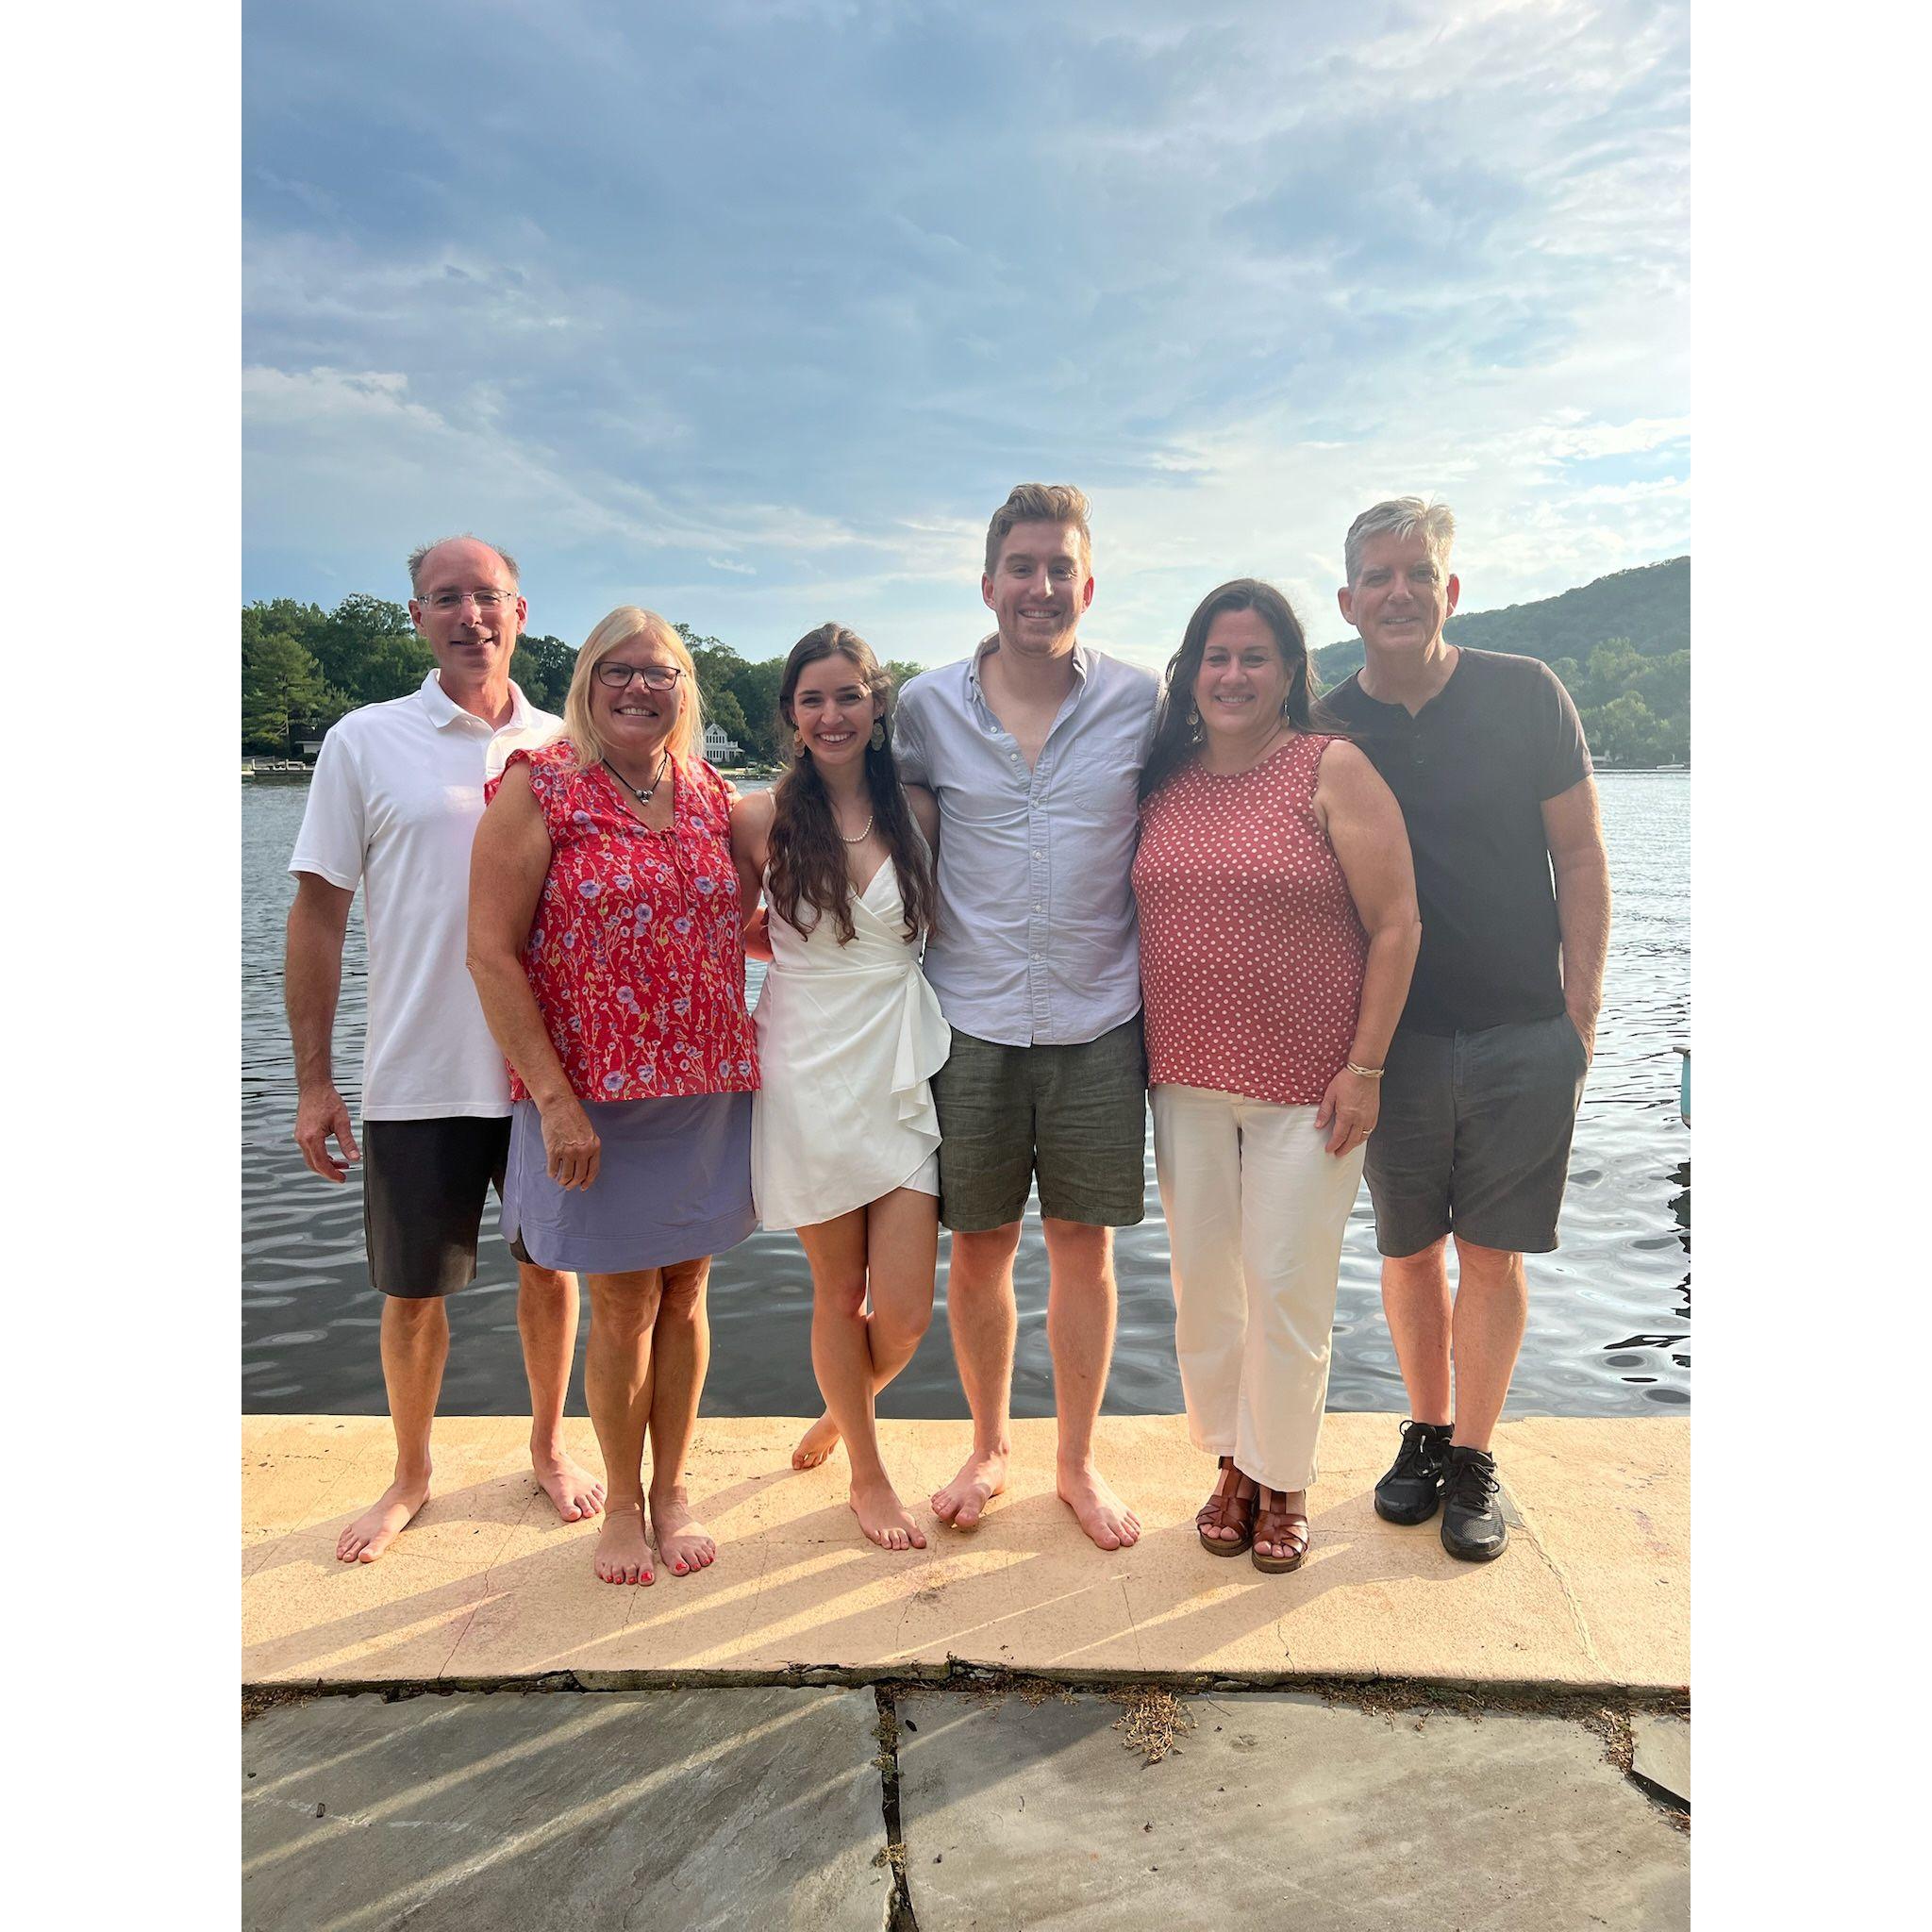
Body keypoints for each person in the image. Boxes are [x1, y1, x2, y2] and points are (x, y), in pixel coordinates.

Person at [285, 535, 605, 1566]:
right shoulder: (365, 741)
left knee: (550, 1271)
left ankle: (549, 1446)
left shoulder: (571, 743)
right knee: (413, 1291)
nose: (471, 615)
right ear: (417, 616)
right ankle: (411, 1473)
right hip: (418, 1070)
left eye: (488, 596)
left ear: (521, 612)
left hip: (545, 1077)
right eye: (447, 598)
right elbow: (319, 914)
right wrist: (314, 1081)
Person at [1322, 498, 1612, 1562]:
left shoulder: (1525, 693)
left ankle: (1476, 1456)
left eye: (1418, 573)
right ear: (1347, 600)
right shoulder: (1325, 727)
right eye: (1378, 575)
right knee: (1408, 1252)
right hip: (1388, 1047)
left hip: (1521, 1030)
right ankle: (1428, 1430)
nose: (1398, 592)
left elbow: (1579, 855)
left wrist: (1578, 1016)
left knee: (1489, 1256)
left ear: (1449, 589)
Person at [466, 607, 758, 1586]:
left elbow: (738, 921)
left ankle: (673, 1489)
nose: (638, 687)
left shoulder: (711, 792)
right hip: (593, 1097)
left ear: (684, 688)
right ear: (587, 681)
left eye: (659, 671)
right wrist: (553, 1100)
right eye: (617, 670)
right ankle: (623, 1505)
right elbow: (490, 952)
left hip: (706, 1085)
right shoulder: (541, 785)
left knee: (687, 1292)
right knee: (624, 1302)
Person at [1134, 580, 1420, 1573]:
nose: (1232, 674)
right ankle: (1232, 1463)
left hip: (1310, 1087)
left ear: (1290, 669)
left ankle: (1283, 1478)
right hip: (1183, 1078)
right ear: (1190, 671)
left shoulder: (1331, 766)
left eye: (1254, 656)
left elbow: (1397, 924)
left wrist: (1366, 1067)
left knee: (1287, 1286)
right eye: (1215, 656)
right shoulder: (1162, 779)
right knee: (1206, 1289)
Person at [894, 484, 1159, 1551]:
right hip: (969, 1017)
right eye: (1021, 567)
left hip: (1101, 1014)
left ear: (1086, 587)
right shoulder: (924, 707)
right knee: (979, 1247)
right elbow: (855, 810)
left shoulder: (1141, 701)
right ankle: (989, 1444)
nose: (1039, 587)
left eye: (1060, 569)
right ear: (987, 582)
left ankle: (1077, 1461)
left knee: (1083, 1247)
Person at [731, 625, 950, 1552]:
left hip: (898, 1057)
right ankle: (868, 1472)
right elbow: (724, 933)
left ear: (876, 702)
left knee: (904, 1312)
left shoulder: (918, 808)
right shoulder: (756, 817)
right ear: (791, 712)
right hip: (806, 1063)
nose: (831, 715)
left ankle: (838, 1405)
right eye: (812, 698)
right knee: (837, 1290)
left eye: (848, 695)